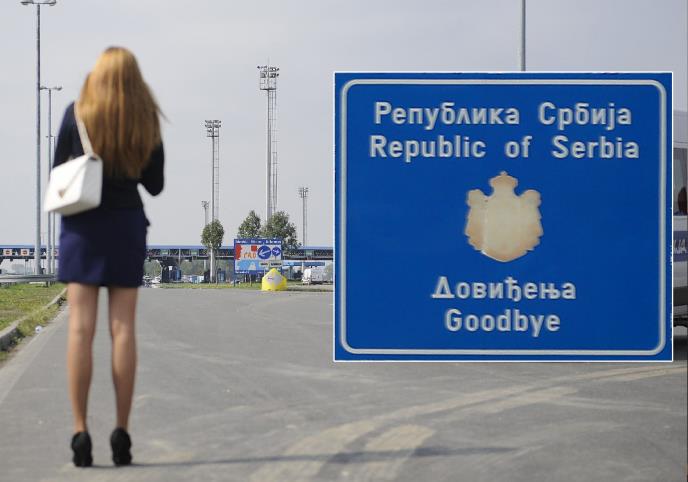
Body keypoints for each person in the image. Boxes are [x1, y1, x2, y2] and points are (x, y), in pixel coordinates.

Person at [53, 46, 164, 467]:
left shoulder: (77, 113)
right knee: (123, 331)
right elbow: (154, 184)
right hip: (125, 226)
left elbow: (57, 172)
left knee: (80, 330)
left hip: (82, 227)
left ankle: (80, 432)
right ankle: (122, 432)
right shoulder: (145, 117)